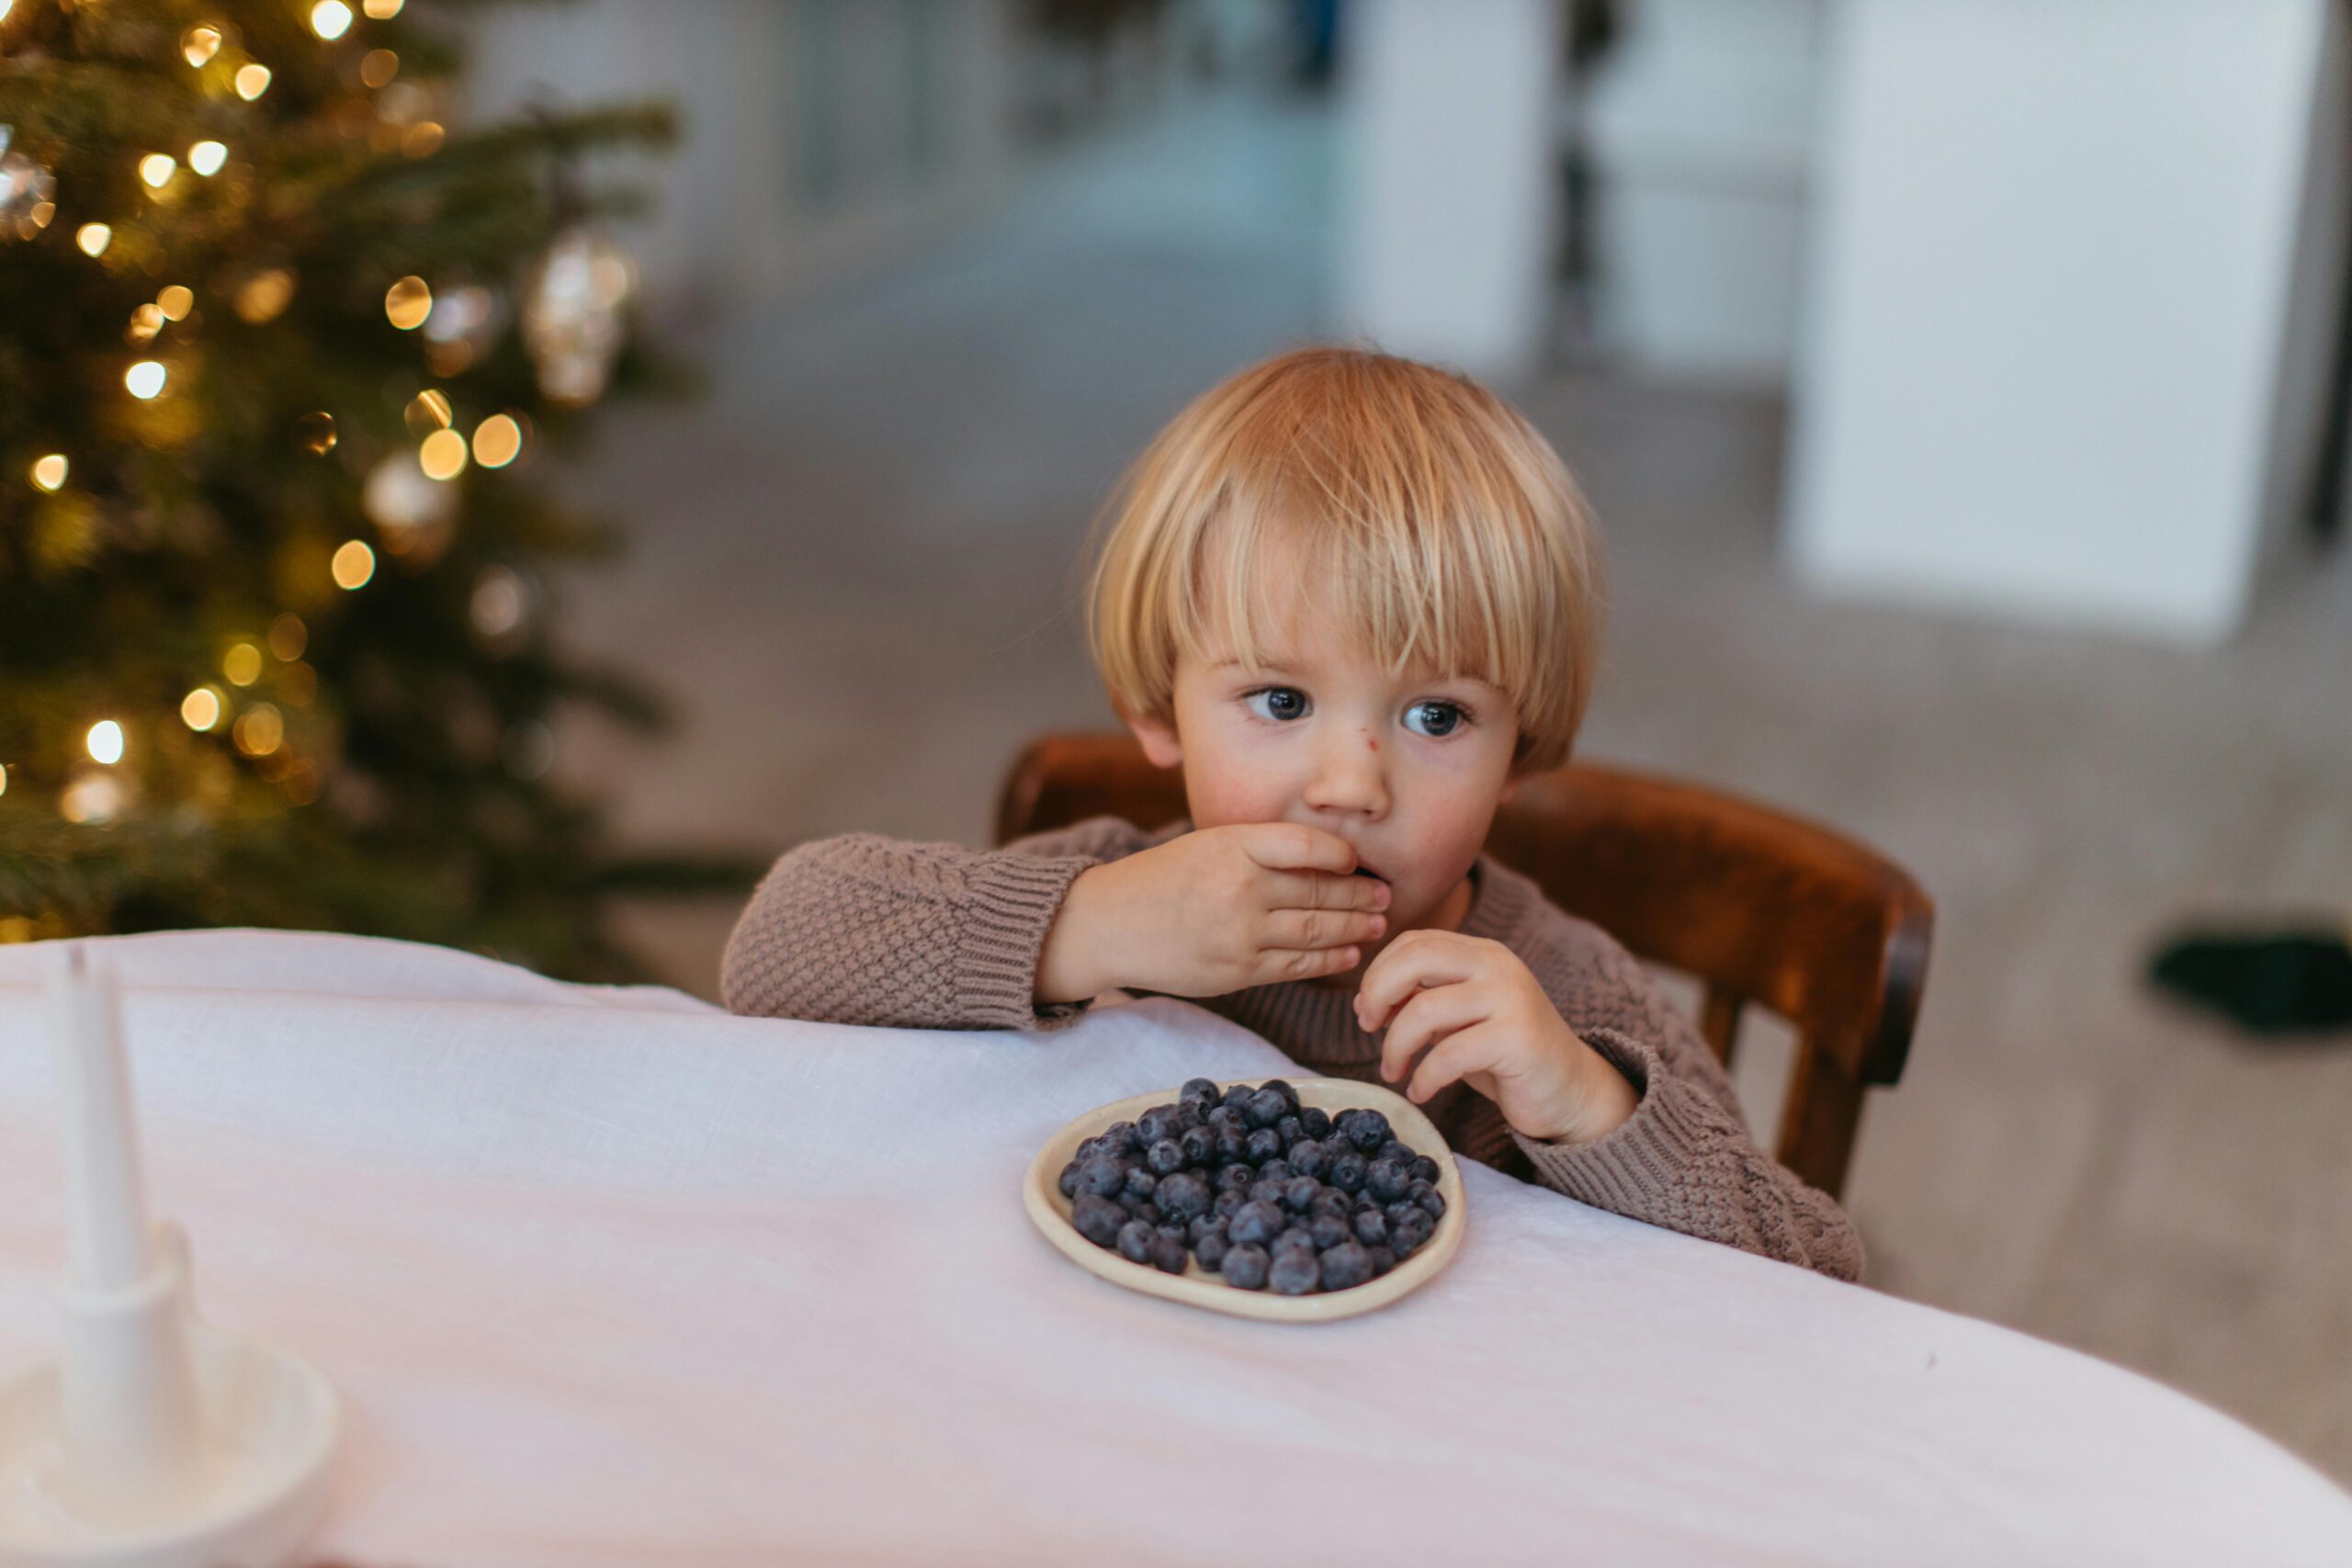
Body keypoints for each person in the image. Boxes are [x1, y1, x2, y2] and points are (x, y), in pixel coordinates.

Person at [722, 347, 1861, 1281]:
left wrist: (1584, 1102)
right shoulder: (1115, 896)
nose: (1350, 785)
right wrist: (1088, 929)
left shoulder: (1566, 999)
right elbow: (774, 949)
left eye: (1436, 717)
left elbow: (1813, 1276)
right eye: (1279, 700)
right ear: (1155, 707)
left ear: (1526, 750)